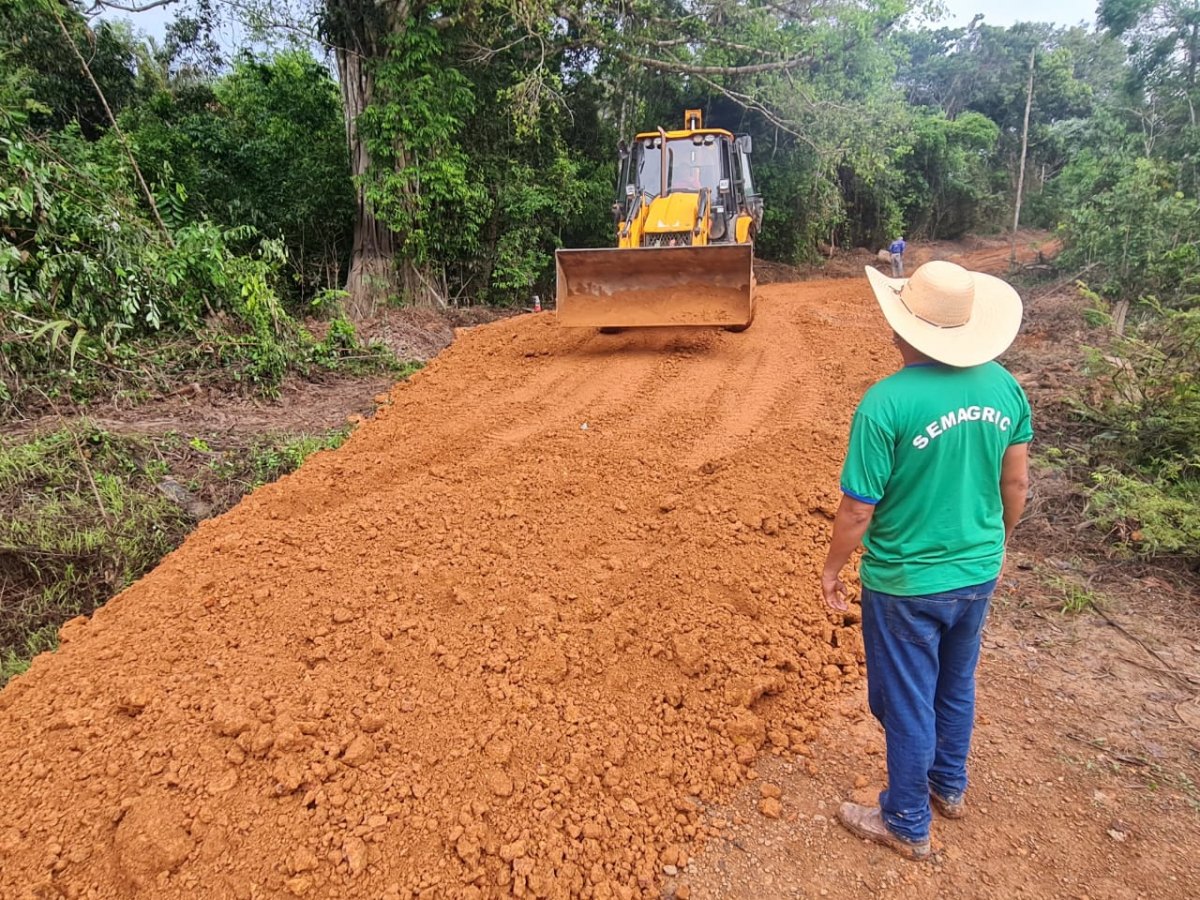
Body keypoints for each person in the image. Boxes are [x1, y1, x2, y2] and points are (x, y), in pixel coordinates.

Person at [821, 260, 1031, 861]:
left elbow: (858, 511)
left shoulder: (885, 403)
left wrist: (832, 568)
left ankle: (907, 819)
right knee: (955, 683)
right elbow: (1014, 486)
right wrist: (996, 544)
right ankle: (948, 785)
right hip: (978, 571)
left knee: (906, 697)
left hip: (908, 581)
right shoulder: (1004, 387)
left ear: (902, 329)